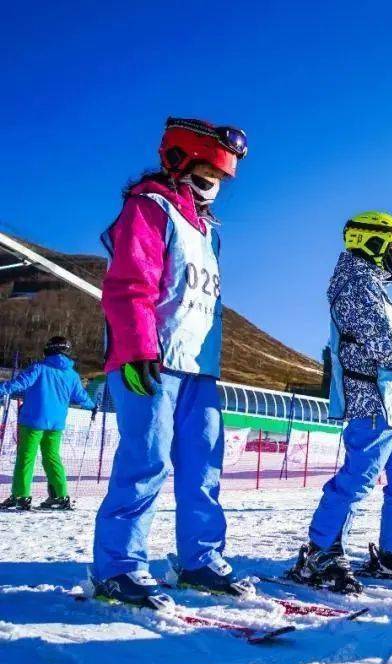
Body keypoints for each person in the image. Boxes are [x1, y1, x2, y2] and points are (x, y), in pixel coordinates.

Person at [91, 117, 248, 606]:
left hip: (198, 369)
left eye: (221, 178)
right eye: (206, 173)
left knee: (203, 467)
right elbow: (128, 285)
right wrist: (137, 349)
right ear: (178, 160)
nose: (213, 186)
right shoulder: (149, 207)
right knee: (146, 461)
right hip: (151, 361)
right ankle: (118, 566)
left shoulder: (208, 231)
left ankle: (199, 559)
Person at [289, 210, 392, 592]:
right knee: (358, 479)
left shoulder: (376, 289)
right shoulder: (355, 283)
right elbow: (382, 343)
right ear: (370, 241)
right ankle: (321, 549)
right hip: (372, 401)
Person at [0, 337, 97, 511]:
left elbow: (20, 383)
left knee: (26, 458)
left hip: (33, 420)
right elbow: (81, 397)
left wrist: (2, 390)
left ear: (49, 350)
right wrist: (92, 406)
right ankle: (60, 496)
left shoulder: (39, 368)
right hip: (56, 424)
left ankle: (21, 496)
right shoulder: (72, 375)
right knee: (52, 458)